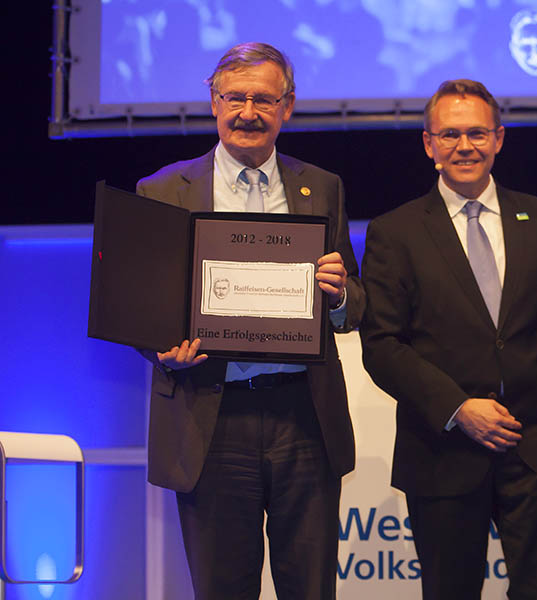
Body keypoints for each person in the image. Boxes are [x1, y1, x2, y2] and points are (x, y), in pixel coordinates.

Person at [359, 79, 537, 599]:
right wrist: (457, 407)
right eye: (449, 135)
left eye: (476, 133)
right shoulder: (394, 231)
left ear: (499, 138)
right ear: (429, 144)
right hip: (443, 452)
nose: (464, 146)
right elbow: (382, 345)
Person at [135, 42, 363, 599]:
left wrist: (337, 297)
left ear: (287, 107)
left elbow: (355, 301)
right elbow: (141, 310)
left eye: (264, 99)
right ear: (213, 102)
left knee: (310, 589)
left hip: (303, 416)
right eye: (234, 97)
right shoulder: (162, 190)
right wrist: (161, 346)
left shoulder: (321, 186)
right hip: (209, 417)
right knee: (221, 589)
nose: (248, 112)